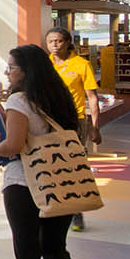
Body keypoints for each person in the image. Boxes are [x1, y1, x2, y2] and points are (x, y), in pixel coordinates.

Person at [0, 44, 89, 259]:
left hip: (24, 184)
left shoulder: (20, 100)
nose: (7, 72)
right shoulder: (59, 97)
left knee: (27, 257)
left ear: (26, 72)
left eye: (11, 68)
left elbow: (14, 144)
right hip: (61, 181)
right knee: (56, 249)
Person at [44, 28, 101, 232]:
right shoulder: (44, 65)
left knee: (74, 167)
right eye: (51, 41)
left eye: (59, 41)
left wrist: (95, 127)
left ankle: (76, 213)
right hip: (48, 121)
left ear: (68, 42)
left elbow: (92, 98)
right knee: (49, 166)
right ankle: (54, 208)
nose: (55, 45)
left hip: (74, 122)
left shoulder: (81, 65)